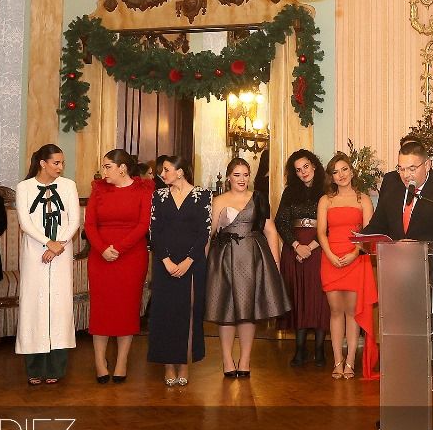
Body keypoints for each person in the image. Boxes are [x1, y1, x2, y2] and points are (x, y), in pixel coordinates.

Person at [363, 139, 433, 430]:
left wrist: (418, 245)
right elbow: (378, 226)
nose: (406, 174)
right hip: (402, 282)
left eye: (412, 168)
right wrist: (362, 237)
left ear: (427, 165)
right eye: (401, 168)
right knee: (404, 346)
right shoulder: (393, 190)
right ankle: (403, 409)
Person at [207, 157, 289, 378]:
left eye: (245, 175)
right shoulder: (218, 201)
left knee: (248, 311)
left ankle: (245, 360)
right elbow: (209, 234)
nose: (242, 179)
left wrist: (275, 265)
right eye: (237, 175)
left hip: (253, 258)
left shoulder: (259, 198)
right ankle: (227, 359)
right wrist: (202, 263)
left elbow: (270, 231)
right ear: (228, 177)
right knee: (225, 310)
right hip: (224, 259)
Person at [15, 145, 80, 385]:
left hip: (61, 253)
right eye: (56, 163)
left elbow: (74, 220)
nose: (60, 167)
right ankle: (34, 366)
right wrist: (47, 243)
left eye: (62, 163)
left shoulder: (68, 186)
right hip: (35, 253)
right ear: (42, 163)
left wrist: (57, 245)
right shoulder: (24, 187)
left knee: (60, 306)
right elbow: (25, 222)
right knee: (34, 305)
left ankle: (56, 366)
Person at [85, 149, 151, 383]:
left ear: (122, 168)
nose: (104, 172)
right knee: (101, 308)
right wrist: (102, 248)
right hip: (100, 257)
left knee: (127, 308)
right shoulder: (99, 189)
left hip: (132, 257)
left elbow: (143, 224)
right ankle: (100, 361)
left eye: (108, 167)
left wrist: (119, 248)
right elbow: (90, 224)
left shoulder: (143, 189)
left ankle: (122, 361)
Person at [148, 155, 211, 386]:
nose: (162, 174)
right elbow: (154, 231)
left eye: (166, 169)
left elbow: (204, 232)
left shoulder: (203, 195)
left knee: (189, 312)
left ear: (180, 171)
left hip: (192, 264)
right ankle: (168, 365)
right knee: (165, 313)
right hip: (164, 263)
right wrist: (165, 260)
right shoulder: (158, 195)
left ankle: (184, 363)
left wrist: (188, 261)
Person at [318, 153, 378, 379]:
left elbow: (368, 234)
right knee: (335, 311)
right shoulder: (325, 200)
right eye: (335, 172)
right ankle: (337, 361)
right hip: (331, 258)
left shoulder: (363, 199)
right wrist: (330, 255)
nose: (341, 175)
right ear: (331, 177)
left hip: (356, 259)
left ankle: (350, 361)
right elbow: (321, 233)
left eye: (344, 169)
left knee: (352, 312)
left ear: (352, 172)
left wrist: (354, 254)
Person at [276, 149, 330, 367]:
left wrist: (312, 247)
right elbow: (281, 222)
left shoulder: (328, 190)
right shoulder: (290, 192)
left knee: (319, 298)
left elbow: (332, 224)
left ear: (314, 165)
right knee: (298, 296)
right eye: (298, 170)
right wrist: (297, 246)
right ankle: (299, 349)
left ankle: (319, 349)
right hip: (294, 249)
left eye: (306, 167)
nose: (303, 172)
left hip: (320, 247)